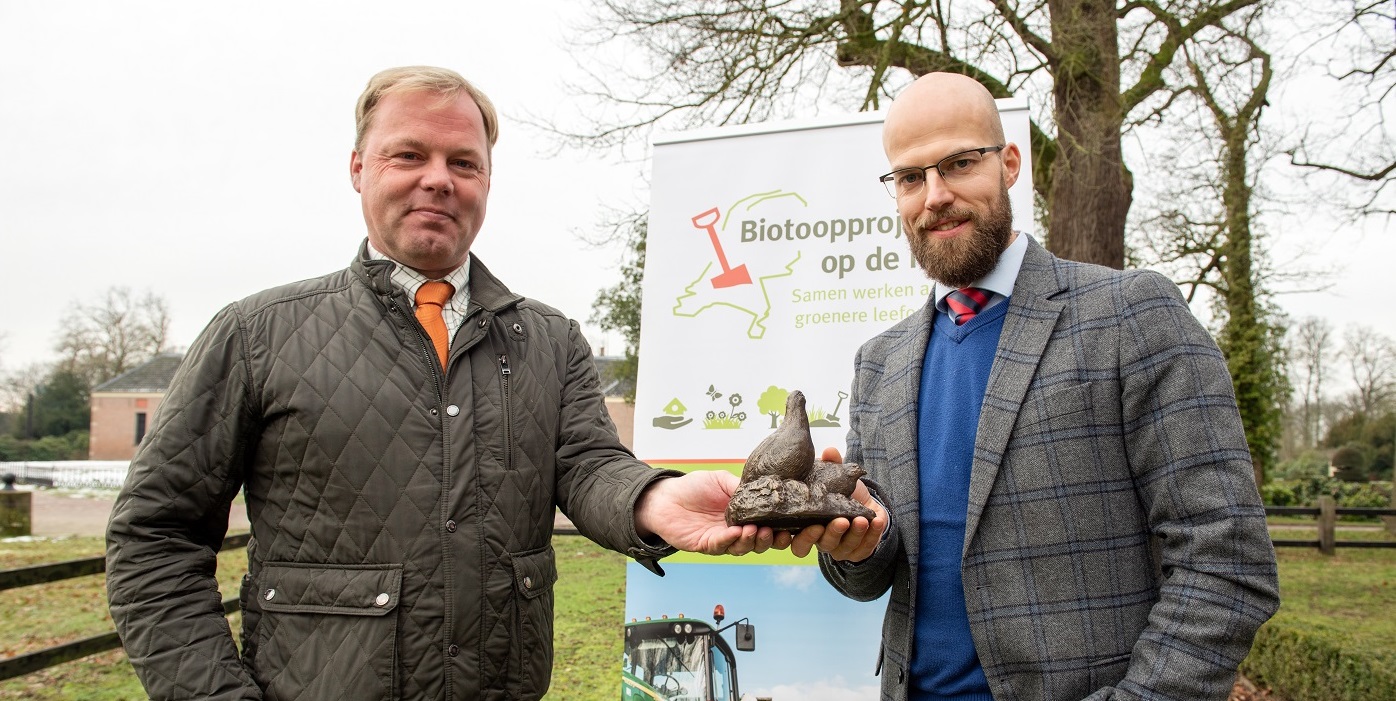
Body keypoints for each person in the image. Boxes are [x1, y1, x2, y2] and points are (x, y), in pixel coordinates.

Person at [105, 66, 776, 701]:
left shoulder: (549, 339)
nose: (438, 179)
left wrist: (654, 497)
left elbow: (588, 464)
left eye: (463, 163)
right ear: (358, 168)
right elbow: (154, 538)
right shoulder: (257, 335)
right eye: (408, 155)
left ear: (487, 181)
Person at [789, 73, 1280, 701]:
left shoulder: (1131, 315)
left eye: (959, 163)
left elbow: (1227, 560)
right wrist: (858, 544)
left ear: (1010, 164)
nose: (935, 196)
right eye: (910, 177)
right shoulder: (879, 363)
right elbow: (870, 578)